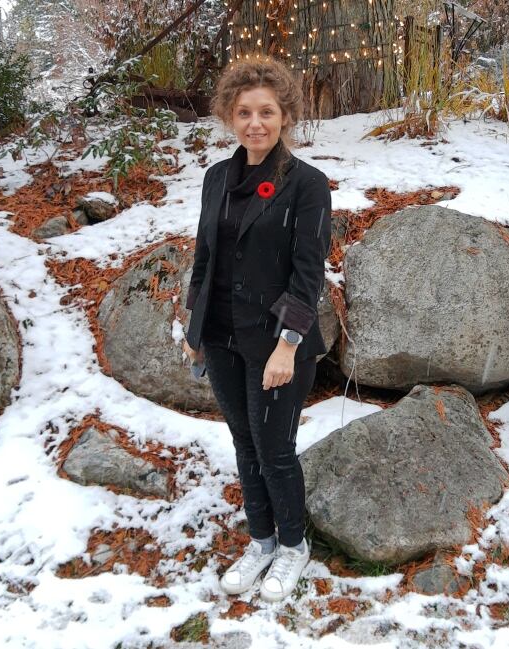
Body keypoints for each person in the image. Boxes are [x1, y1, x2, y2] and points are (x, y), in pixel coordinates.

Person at [182, 58, 332, 602]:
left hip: (276, 346)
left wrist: (287, 345)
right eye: (244, 112)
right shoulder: (216, 179)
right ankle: (263, 540)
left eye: (266, 112)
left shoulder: (307, 185)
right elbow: (204, 259)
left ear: (285, 115)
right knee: (244, 444)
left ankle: (294, 546)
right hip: (221, 336)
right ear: (228, 116)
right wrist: (193, 325)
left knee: (275, 449)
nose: (255, 123)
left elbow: (308, 274)